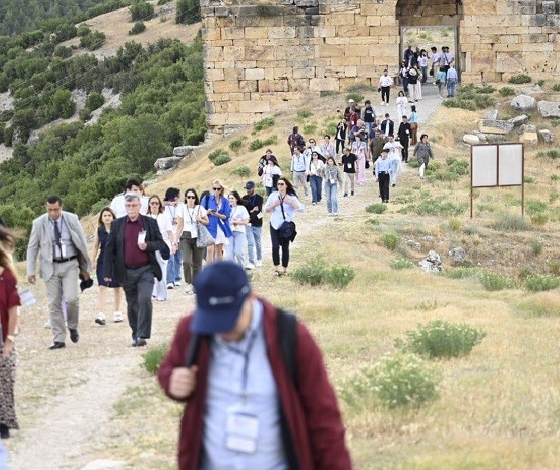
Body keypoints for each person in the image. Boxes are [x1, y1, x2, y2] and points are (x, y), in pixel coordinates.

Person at [157, 261, 352, 470]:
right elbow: (169, 369)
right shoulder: (193, 330)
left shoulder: (291, 336)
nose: (221, 330)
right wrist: (172, 381)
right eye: (214, 320)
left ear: (250, 297)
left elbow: (324, 417)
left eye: (228, 319)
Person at [26, 195, 92, 350]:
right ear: (46, 208)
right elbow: (32, 247)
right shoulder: (39, 223)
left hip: (70, 264)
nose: (53, 213)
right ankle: (59, 338)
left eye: (56, 209)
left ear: (61, 207)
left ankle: (73, 326)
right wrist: (30, 270)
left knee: (72, 299)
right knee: (54, 303)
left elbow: (82, 243)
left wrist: (85, 268)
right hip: (50, 267)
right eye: (50, 210)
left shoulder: (72, 219)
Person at [103, 193, 167, 347]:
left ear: (140, 206)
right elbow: (109, 249)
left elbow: (160, 243)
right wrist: (107, 272)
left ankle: (143, 334)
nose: (131, 208)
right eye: (128, 206)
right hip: (126, 271)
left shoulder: (149, 223)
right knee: (132, 304)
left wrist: (148, 246)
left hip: (146, 269)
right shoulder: (117, 224)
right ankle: (136, 334)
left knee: (144, 299)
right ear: (125, 207)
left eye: (134, 205)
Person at [0, 225, 20, 439]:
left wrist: (11, 337)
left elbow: (13, 306)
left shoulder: (7, 275)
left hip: (3, 330)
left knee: (5, 376)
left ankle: (3, 421)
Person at [89, 207, 124, 325]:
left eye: (109, 215)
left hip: (117, 260)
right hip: (103, 260)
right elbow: (95, 246)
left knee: (117, 287)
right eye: (105, 216)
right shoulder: (99, 230)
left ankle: (117, 311)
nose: (107, 217)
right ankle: (101, 313)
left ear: (113, 217)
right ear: (101, 218)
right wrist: (92, 261)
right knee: (102, 286)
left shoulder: (119, 229)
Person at [264, 177, 304, 276]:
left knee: (285, 248)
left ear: (286, 185)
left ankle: (285, 269)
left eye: (282, 184)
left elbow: (301, 209)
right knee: (275, 246)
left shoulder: (291, 197)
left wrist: (290, 202)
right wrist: (274, 204)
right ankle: (276, 269)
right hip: (274, 224)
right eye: (278, 184)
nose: (280, 186)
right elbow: (266, 209)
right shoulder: (273, 195)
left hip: (285, 226)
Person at [180, 188, 209, 294]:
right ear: (186, 198)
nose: (191, 199)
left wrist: (200, 219)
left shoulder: (200, 208)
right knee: (186, 261)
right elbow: (180, 224)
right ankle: (188, 282)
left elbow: (207, 221)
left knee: (198, 263)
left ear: (195, 198)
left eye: (193, 197)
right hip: (186, 236)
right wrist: (175, 239)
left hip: (198, 236)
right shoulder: (182, 208)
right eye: (189, 197)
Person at [147, 195, 175, 301]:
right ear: (149, 204)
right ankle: (152, 293)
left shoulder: (164, 216)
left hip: (162, 245)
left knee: (161, 271)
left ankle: (162, 294)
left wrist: (173, 244)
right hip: (149, 246)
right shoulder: (145, 216)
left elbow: (170, 232)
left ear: (159, 205)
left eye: (156, 203)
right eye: (152, 203)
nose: (154, 205)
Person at [201, 179, 232, 263]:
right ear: (212, 188)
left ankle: (219, 271)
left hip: (221, 227)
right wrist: (208, 212)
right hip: (210, 226)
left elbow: (226, 216)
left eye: (218, 188)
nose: (216, 190)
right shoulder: (206, 199)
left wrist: (217, 214)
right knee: (210, 249)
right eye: (214, 188)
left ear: (221, 189)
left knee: (219, 249)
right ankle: (209, 271)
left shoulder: (225, 201)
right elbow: (201, 212)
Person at [163, 187, 184, 289]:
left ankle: (177, 277)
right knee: (171, 256)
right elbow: (160, 203)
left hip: (179, 233)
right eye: (176, 196)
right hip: (169, 234)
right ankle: (170, 280)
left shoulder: (181, 206)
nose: (177, 199)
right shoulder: (165, 206)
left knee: (178, 257)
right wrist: (169, 203)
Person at [242, 181, 264, 269]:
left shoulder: (259, 198)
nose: (248, 190)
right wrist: (252, 211)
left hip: (258, 223)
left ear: (253, 188)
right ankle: (251, 262)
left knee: (258, 242)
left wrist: (250, 215)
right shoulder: (244, 198)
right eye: (247, 188)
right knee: (250, 243)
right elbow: (245, 211)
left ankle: (259, 259)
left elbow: (259, 211)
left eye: (249, 188)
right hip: (248, 224)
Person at [226, 191, 250, 268]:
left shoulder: (241, 208)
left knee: (239, 253)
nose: (230, 200)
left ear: (236, 199)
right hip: (229, 233)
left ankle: (241, 270)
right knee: (229, 255)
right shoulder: (226, 209)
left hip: (239, 232)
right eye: (229, 198)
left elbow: (246, 221)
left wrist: (237, 222)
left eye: (232, 198)